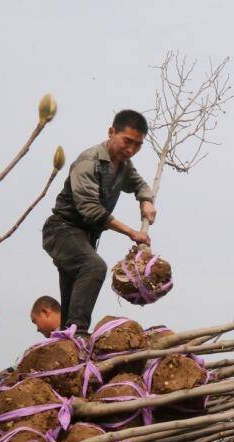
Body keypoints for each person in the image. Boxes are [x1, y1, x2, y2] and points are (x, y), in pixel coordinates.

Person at [41, 109, 157, 337]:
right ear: (111, 132)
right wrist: (133, 233)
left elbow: (140, 184)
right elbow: (91, 211)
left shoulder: (124, 164)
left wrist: (146, 200)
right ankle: (79, 334)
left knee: (72, 293)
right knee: (94, 267)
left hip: (85, 238)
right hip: (62, 230)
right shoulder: (89, 161)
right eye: (127, 141)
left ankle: (67, 338)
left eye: (138, 145)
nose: (131, 149)